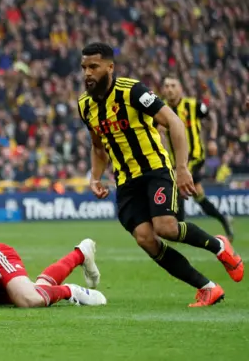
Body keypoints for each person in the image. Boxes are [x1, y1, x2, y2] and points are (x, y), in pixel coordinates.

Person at [77, 42, 243, 307]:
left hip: (155, 169)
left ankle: (219, 246)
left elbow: (174, 122)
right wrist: (95, 178)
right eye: (84, 67)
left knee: (166, 227)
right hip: (125, 180)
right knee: (145, 238)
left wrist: (182, 167)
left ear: (110, 67)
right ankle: (207, 287)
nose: (87, 73)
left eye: (93, 67)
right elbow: (98, 147)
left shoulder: (133, 91)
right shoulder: (85, 106)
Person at [161, 76, 234, 240]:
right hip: (175, 160)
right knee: (198, 196)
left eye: (173, 85)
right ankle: (224, 219)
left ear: (180, 88)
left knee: (177, 183)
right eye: (166, 86)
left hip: (194, 157)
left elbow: (212, 117)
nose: (170, 89)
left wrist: (213, 139)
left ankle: (178, 229)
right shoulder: (161, 108)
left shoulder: (193, 105)